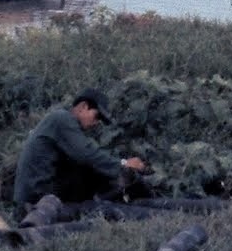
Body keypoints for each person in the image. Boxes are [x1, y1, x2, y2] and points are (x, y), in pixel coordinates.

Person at [13, 88, 145, 208]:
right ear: (83, 107)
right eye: (97, 116)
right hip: (36, 200)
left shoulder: (62, 123)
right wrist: (124, 164)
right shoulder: (62, 119)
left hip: (36, 195)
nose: (96, 123)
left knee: (90, 171)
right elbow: (87, 154)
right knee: (91, 168)